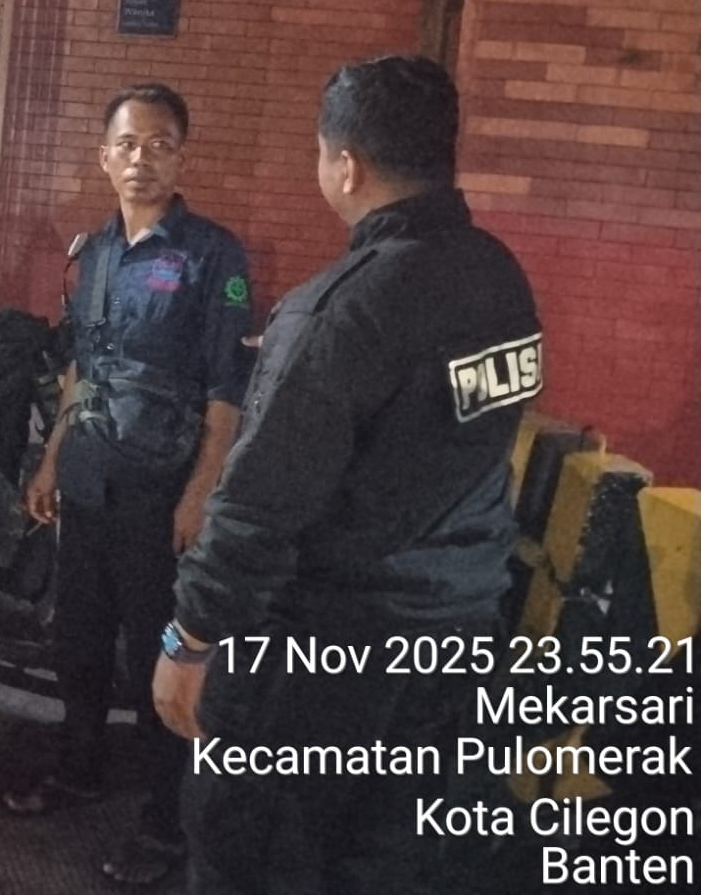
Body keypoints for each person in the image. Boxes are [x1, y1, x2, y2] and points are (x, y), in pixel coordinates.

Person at [154, 55, 543, 894]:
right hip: (454, 645)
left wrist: (189, 637)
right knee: (390, 862)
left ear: (347, 165)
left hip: (324, 662)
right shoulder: (499, 280)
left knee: (252, 852)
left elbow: (261, 501)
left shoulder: (340, 308)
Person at [4, 83, 254, 887]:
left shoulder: (214, 257)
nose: (141, 159)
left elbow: (226, 389)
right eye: (127, 144)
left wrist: (200, 494)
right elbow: (81, 369)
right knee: (78, 645)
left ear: (182, 157)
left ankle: (165, 823)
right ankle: (79, 769)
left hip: (161, 492)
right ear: (104, 156)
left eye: (159, 144)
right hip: (89, 482)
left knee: (157, 659)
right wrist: (51, 460)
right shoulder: (96, 253)